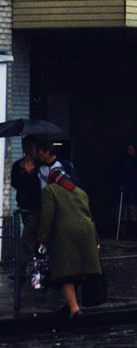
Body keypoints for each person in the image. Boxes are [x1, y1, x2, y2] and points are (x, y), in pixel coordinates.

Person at [37, 167, 102, 321]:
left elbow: (47, 215)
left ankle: (74, 310)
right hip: (86, 233)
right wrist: (96, 241)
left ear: (51, 180)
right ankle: (69, 305)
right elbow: (90, 216)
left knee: (65, 273)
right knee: (78, 270)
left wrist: (42, 239)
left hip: (65, 235)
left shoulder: (50, 191)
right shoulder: (80, 192)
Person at [11, 137, 42, 268]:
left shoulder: (40, 165)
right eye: (26, 147)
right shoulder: (17, 165)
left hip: (38, 207)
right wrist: (23, 172)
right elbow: (15, 183)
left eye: (31, 147)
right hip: (24, 206)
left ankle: (21, 268)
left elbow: (39, 186)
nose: (28, 150)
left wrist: (31, 173)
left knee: (28, 237)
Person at [113, 143, 137, 240]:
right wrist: (119, 185)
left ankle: (132, 232)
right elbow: (117, 174)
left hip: (133, 190)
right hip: (124, 190)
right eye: (129, 149)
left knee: (133, 212)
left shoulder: (135, 162)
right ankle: (123, 232)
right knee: (123, 212)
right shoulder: (122, 161)